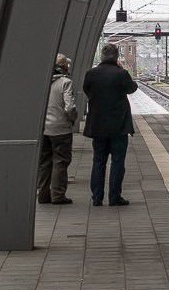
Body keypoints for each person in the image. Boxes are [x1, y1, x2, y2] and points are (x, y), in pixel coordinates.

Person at [83, 43, 138, 206]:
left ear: (101, 56)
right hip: (118, 126)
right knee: (117, 161)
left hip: (97, 125)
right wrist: (120, 70)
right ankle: (114, 197)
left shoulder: (91, 74)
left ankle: (97, 197)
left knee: (98, 160)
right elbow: (132, 89)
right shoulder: (121, 74)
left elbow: (87, 90)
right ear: (116, 57)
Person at [38, 54, 77, 205]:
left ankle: (42, 194)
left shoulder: (42, 82)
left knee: (44, 162)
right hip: (61, 129)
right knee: (61, 161)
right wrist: (72, 118)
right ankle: (58, 194)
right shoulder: (65, 82)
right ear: (63, 66)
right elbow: (70, 107)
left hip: (44, 129)